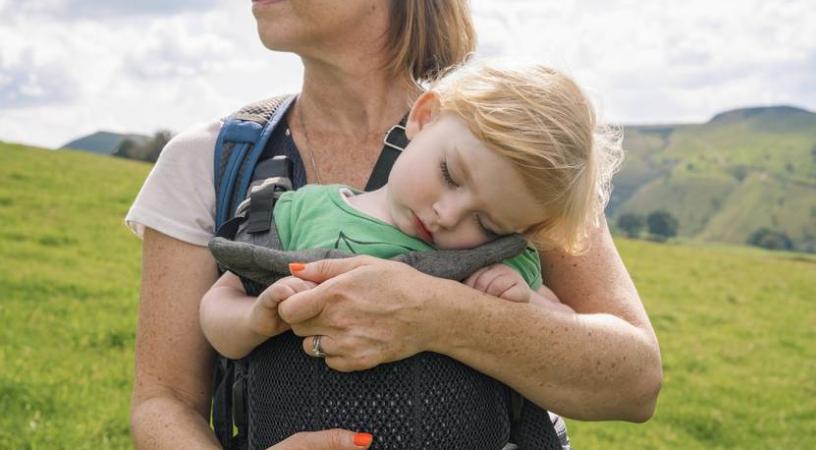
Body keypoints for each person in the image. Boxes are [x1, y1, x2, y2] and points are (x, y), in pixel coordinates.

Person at [126, 1, 662, 449]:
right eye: (449, 177)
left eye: (483, 220)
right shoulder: (211, 161)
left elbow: (633, 382)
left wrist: (435, 314)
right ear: (423, 119)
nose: (450, 215)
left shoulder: (523, 150)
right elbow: (162, 402)